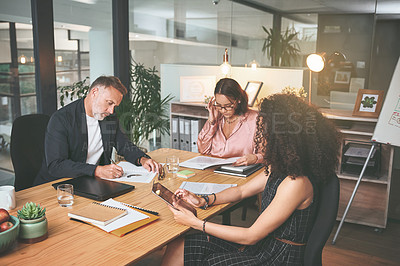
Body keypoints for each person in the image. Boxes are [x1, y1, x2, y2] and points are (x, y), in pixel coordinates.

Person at [162, 93, 341, 265]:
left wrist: (195, 223)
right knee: (182, 243)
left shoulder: (296, 183)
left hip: (278, 258)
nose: (259, 136)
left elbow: (251, 235)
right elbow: (241, 191)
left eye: (263, 130)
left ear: (282, 137)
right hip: (263, 247)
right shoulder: (282, 167)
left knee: (203, 254)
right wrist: (204, 200)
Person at [34, 76, 161, 185]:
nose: (111, 111)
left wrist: (142, 159)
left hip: (92, 182)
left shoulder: (109, 117)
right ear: (94, 92)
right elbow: (56, 165)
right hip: (59, 185)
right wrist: (97, 170)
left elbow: (124, 145)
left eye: (114, 106)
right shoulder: (62, 119)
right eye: (109, 103)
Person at [198, 78, 263, 166]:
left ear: (238, 100)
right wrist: (212, 122)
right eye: (219, 105)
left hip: (241, 172)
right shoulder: (217, 117)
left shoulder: (256, 119)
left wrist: (255, 158)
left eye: (228, 106)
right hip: (214, 170)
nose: (223, 110)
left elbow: (266, 155)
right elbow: (202, 150)